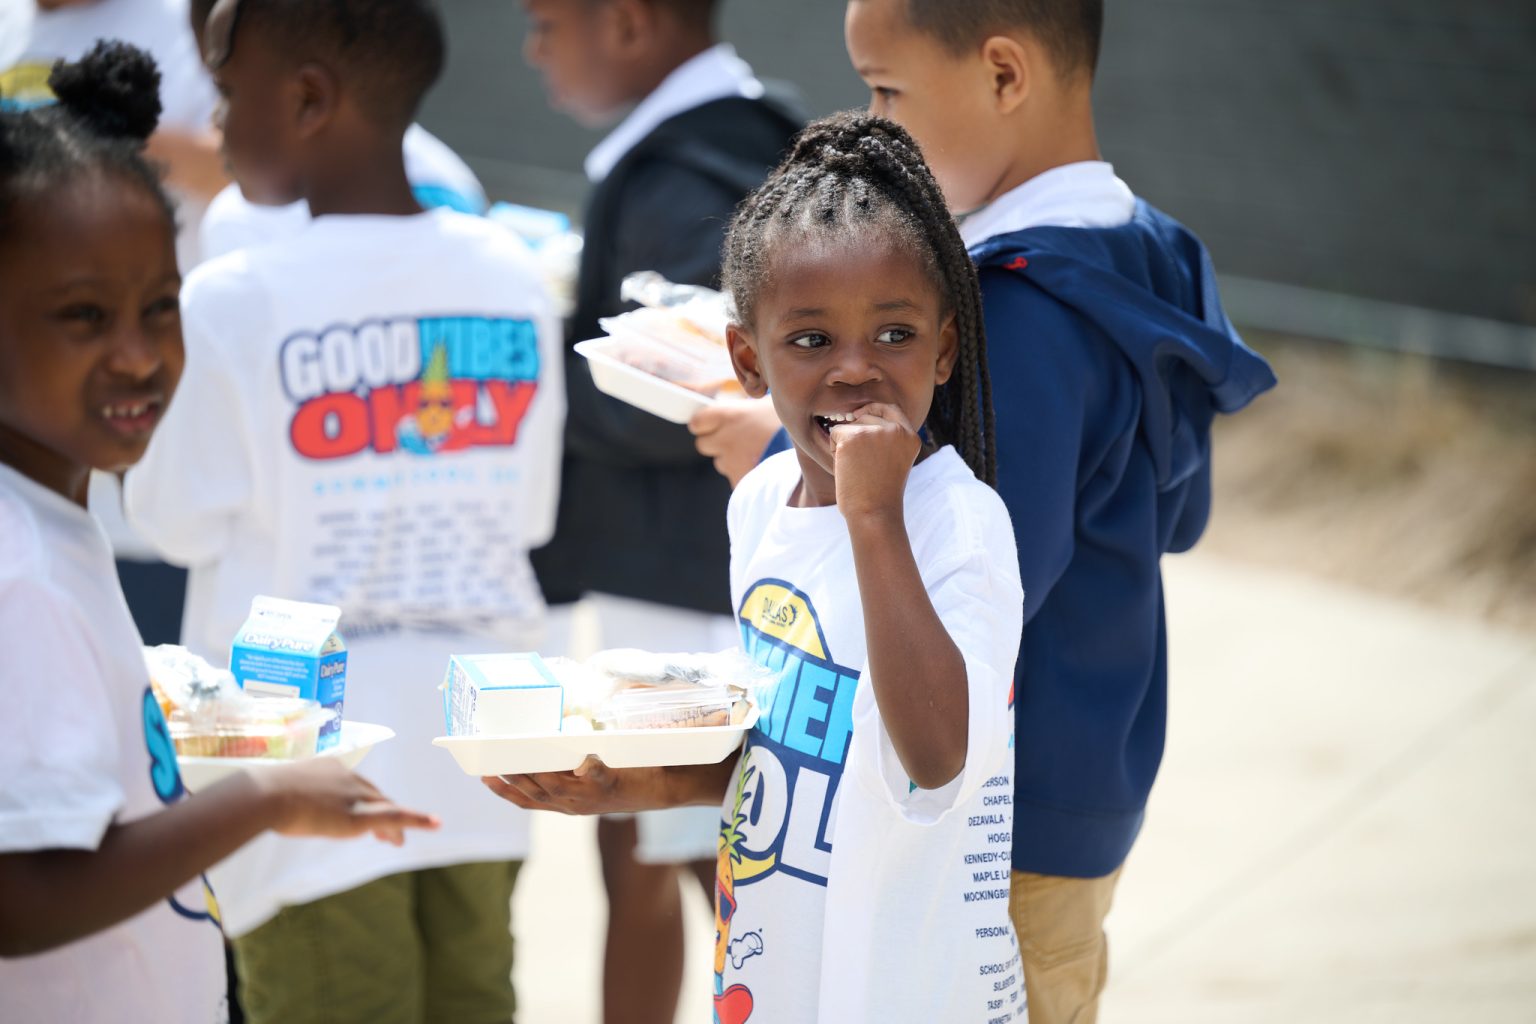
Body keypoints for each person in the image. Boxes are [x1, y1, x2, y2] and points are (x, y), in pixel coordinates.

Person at [487, 112, 1027, 1024]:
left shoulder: (956, 526)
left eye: (894, 335)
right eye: (810, 341)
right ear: (746, 359)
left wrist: (873, 518)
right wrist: (643, 784)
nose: (856, 372)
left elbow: (935, 763)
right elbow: (793, 758)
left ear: (944, 346)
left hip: (902, 995)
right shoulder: (762, 503)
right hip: (781, 980)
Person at [123, 2, 565, 1021]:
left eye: (229, 95)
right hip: (484, 755)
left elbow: (172, 521)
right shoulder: (511, 277)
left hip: (300, 770)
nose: (219, 125)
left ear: (309, 99)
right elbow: (530, 514)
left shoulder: (231, 295)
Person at [837, 2, 1279, 1020]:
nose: (871, 121)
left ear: (1003, 74)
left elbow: (982, 594)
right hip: (1087, 780)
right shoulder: (1152, 251)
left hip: (1000, 820)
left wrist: (789, 460)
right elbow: (1180, 517)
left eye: (887, 90)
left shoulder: (1018, 309)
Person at [0, 41, 436, 1024]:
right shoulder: (19, 569)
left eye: (161, 308)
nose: (138, 355)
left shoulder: (44, 517)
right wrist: (265, 797)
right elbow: (20, 897)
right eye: (81, 315)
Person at [520, 2, 800, 1020]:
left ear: (629, 23)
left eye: (547, 22)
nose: (532, 48)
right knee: (698, 854)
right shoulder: (750, 132)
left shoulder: (692, 167)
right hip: (697, 567)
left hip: (685, 580)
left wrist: (543, 368)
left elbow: (696, 384)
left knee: (661, 849)